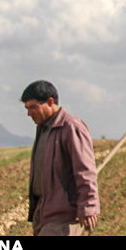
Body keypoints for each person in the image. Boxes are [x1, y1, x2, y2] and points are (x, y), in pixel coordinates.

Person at [21, 80, 100, 236]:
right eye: (27, 108)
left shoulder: (71, 127)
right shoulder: (43, 129)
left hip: (64, 216)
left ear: (50, 102)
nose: (29, 113)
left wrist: (89, 206)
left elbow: (85, 170)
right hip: (44, 213)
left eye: (33, 107)